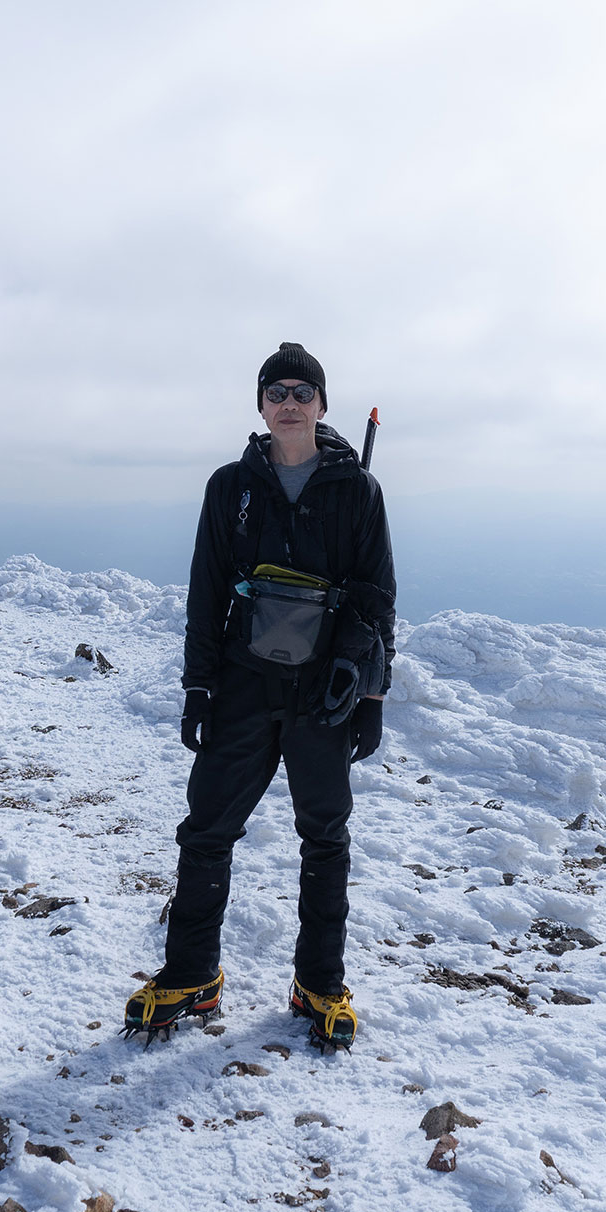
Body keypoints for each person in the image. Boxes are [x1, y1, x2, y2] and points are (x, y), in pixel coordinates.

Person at [123, 341, 397, 1048]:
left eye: (303, 392)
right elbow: (207, 592)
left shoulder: (358, 491)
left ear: (323, 405)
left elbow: (376, 598)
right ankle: (192, 975)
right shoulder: (230, 487)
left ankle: (320, 985)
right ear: (261, 405)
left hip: (324, 692)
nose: (290, 403)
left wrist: (370, 695)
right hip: (244, 682)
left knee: (325, 838)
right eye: (276, 391)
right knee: (207, 830)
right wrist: (198, 685)